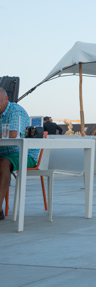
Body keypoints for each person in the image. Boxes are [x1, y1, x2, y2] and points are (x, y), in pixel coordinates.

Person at [0, 88, 36, 220]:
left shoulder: (15, 111)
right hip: (3, 151)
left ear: (6, 99)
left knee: (3, 163)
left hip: (23, 153)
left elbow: (12, 134)